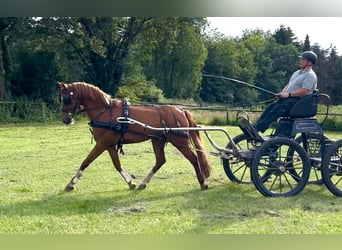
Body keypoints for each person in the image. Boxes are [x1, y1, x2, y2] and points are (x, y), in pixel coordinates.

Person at [253, 50, 318, 133]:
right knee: (271, 107)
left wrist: (289, 94)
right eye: (301, 59)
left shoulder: (310, 75)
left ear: (309, 63)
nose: (300, 61)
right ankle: (256, 125)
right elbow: (289, 85)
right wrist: (282, 93)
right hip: (289, 99)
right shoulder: (297, 73)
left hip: (298, 102)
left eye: (303, 60)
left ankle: (260, 127)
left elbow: (304, 91)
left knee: (277, 109)